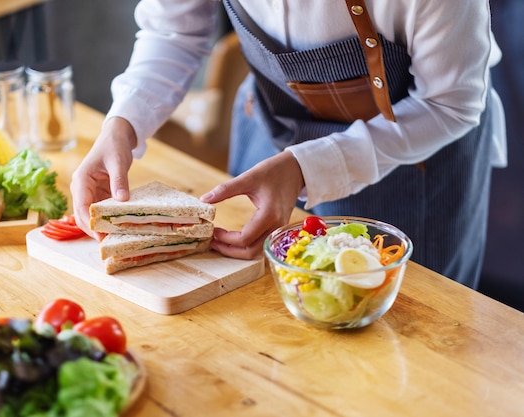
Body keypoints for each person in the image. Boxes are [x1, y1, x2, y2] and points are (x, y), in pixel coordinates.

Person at [71, 0, 506, 289]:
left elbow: (450, 103)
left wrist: (305, 168)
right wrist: (124, 123)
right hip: (268, 131)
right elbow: (174, 32)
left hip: (414, 163)